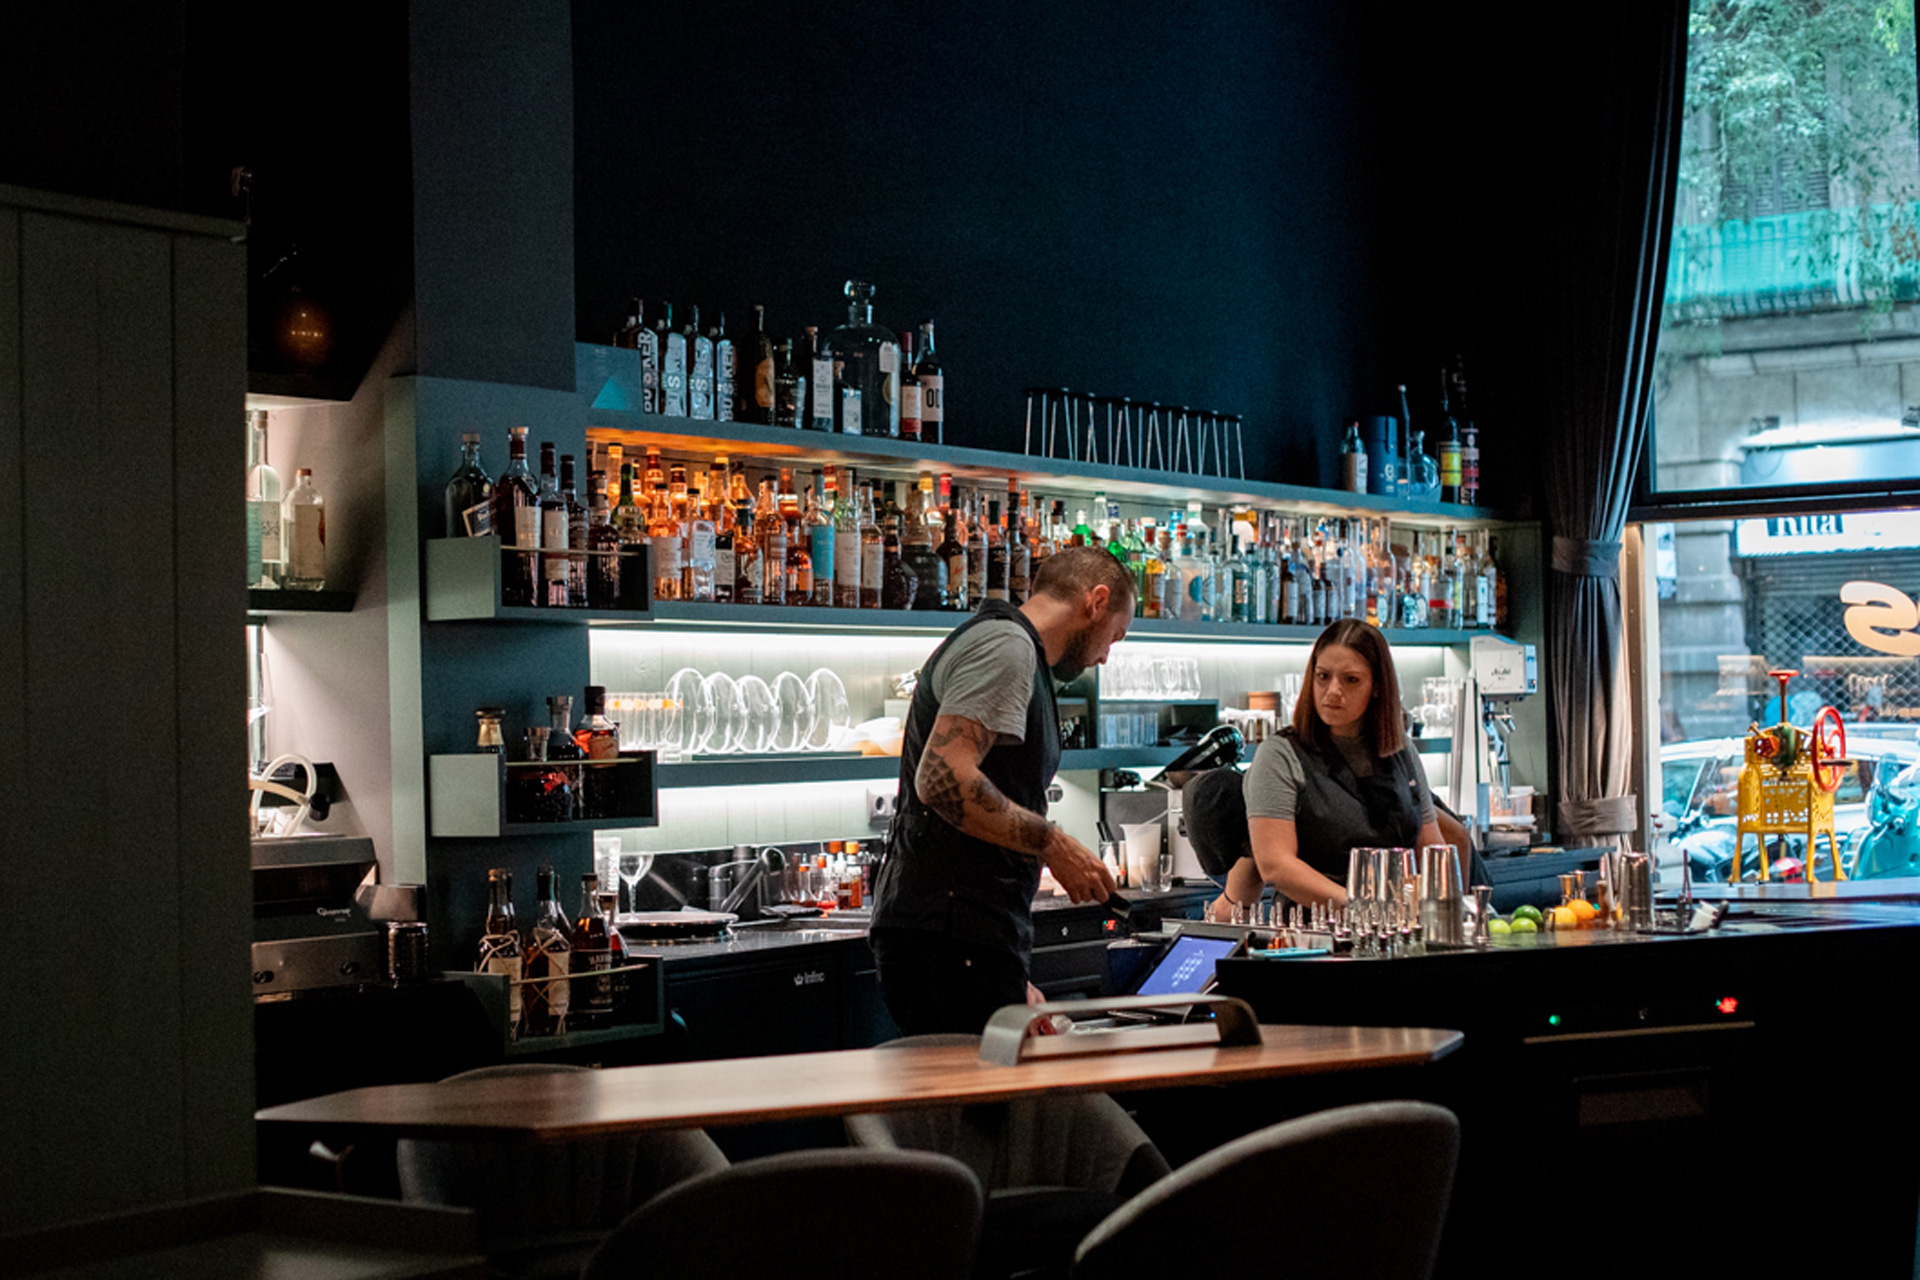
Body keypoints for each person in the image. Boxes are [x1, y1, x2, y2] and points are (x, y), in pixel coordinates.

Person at [869, 547, 1132, 1035]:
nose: (1104, 656)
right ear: (1096, 601)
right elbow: (942, 780)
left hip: (960, 938)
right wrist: (1054, 845)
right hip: (948, 937)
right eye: (1114, 636)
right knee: (987, 1109)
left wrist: (1010, 976)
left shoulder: (1013, 648)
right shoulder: (1007, 647)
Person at [1242, 619, 1445, 907]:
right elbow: (1276, 866)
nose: (1333, 690)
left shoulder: (1402, 751)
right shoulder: (1280, 755)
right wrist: (1361, 907)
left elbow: (1432, 849)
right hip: (1313, 938)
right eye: (1323, 676)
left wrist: (1444, 907)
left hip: (1396, 931)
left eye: (1350, 680)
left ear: (1377, 686)